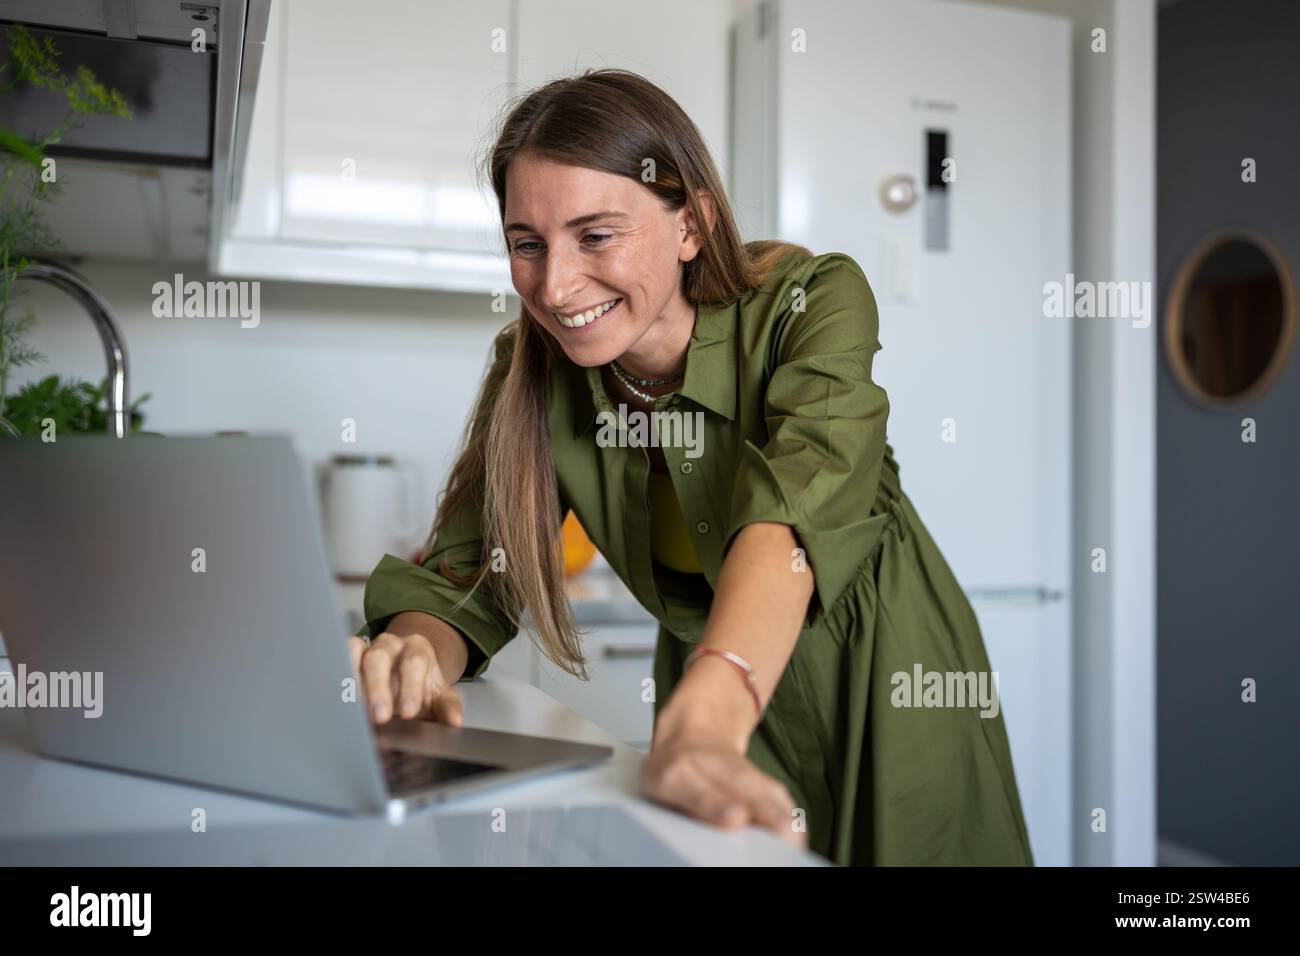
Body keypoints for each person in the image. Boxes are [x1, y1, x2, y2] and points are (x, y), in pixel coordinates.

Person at [351, 69, 1033, 866]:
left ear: (692, 224)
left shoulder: (810, 302)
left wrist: (709, 716)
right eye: (526, 244)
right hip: (707, 688)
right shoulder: (530, 371)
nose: (555, 284)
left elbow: (795, 512)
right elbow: (471, 573)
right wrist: (415, 657)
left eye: (595, 234)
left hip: (886, 673)